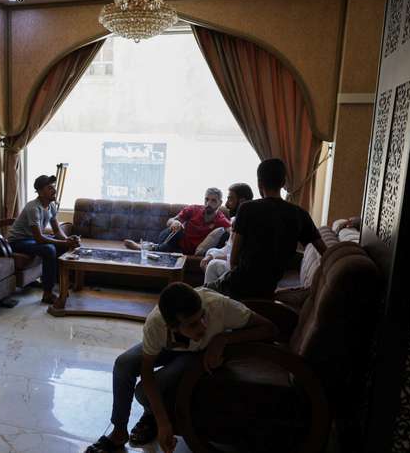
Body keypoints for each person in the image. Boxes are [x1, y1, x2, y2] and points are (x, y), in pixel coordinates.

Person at [85, 283, 278, 453]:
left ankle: (149, 415)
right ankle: (119, 431)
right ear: (172, 327)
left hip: (199, 353)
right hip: (171, 347)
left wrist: (223, 338)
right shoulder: (156, 324)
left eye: (202, 317)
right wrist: (164, 423)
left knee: (143, 392)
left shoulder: (219, 305)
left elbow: (269, 328)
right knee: (123, 364)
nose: (202, 326)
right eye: (193, 324)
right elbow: (147, 370)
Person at [206, 159, 327, 299]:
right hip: (268, 288)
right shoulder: (300, 214)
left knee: (198, 296)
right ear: (283, 183)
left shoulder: (247, 208)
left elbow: (233, 260)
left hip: (239, 285)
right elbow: (325, 252)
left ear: (259, 183)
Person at [7, 175, 80, 304]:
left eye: (54, 187)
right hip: (17, 241)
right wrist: (64, 242)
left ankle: (63, 283)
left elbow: (57, 231)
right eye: (50, 188)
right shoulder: (33, 208)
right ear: (40, 192)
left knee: (63, 246)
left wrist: (68, 240)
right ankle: (47, 293)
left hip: (32, 239)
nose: (54, 191)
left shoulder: (51, 206)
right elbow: (40, 238)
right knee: (49, 249)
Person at [124, 187, 230, 256]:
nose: (208, 203)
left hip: (187, 251)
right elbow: (170, 221)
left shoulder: (221, 220)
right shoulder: (193, 209)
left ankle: (146, 247)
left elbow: (232, 232)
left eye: (213, 200)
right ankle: (150, 247)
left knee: (224, 234)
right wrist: (175, 222)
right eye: (206, 199)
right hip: (174, 239)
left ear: (220, 203)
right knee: (177, 231)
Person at [200, 183, 254, 284]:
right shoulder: (234, 220)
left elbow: (239, 255)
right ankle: (218, 290)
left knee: (213, 265)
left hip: (242, 266)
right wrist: (211, 256)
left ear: (242, 201)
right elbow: (229, 247)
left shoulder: (249, 223)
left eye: (230, 199)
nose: (227, 204)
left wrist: (215, 258)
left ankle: (210, 295)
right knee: (210, 252)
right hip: (231, 260)